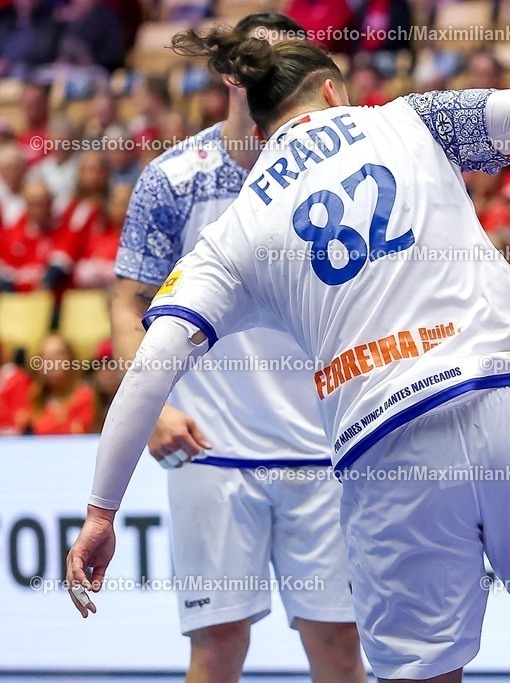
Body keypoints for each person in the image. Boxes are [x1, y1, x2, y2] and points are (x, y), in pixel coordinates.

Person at [66, 25, 510, 683]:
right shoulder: (406, 119)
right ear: (334, 90)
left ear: (255, 131)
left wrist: (101, 512)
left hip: (388, 447)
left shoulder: (235, 228)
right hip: (509, 401)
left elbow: (150, 367)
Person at [106, 14, 365, 683]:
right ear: (228, 71)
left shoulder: (339, 173)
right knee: (217, 649)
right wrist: (153, 407)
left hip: (325, 446)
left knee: (339, 644)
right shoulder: (173, 179)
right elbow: (125, 303)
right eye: (259, 58)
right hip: (210, 451)